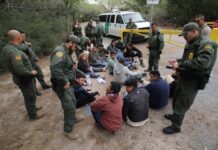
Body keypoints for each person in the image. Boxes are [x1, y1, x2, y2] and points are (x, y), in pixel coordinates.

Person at [163, 22, 217, 134]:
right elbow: (187, 58)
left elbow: (203, 63)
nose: (184, 37)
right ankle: (175, 116)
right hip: (184, 76)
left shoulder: (206, 44)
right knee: (177, 97)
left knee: (182, 103)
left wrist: (180, 65)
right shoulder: (191, 42)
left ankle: (176, 126)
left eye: (185, 34)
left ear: (194, 31)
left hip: (194, 80)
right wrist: (178, 61)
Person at [3, 30, 43, 120]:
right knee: (30, 95)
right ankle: (33, 115)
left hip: (19, 77)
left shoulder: (8, 48)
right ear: (18, 38)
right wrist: (31, 72)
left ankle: (32, 109)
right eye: (21, 36)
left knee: (28, 95)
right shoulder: (15, 52)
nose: (22, 37)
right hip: (24, 78)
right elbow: (20, 69)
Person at [50, 34, 81, 139]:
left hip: (68, 83)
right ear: (71, 43)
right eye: (75, 45)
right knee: (69, 106)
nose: (76, 48)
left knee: (72, 101)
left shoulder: (66, 51)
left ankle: (72, 118)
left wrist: (71, 65)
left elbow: (63, 66)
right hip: (62, 85)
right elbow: (55, 68)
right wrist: (64, 81)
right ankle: (68, 130)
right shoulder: (60, 52)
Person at [18, 31, 51, 96]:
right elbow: (22, 48)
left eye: (24, 36)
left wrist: (35, 57)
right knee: (32, 78)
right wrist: (27, 45)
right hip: (28, 65)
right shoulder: (18, 45)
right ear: (18, 37)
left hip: (34, 62)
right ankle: (34, 91)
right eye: (22, 36)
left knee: (40, 74)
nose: (24, 38)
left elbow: (31, 51)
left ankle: (44, 85)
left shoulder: (25, 43)